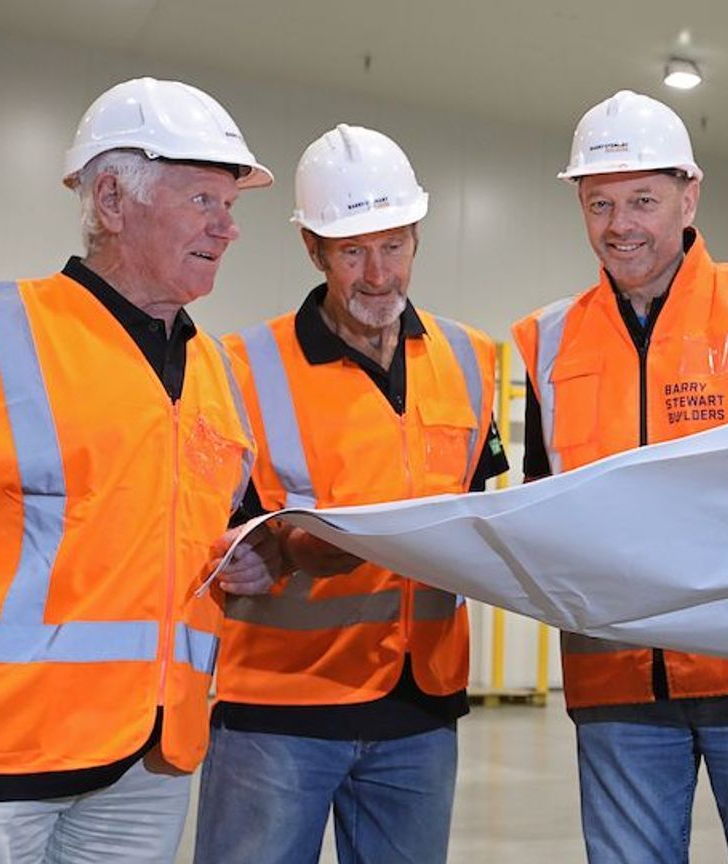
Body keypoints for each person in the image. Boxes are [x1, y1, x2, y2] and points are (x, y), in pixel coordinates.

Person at [0, 77, 280, 864]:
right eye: (203, 201)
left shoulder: (215, 370)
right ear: (113, 199)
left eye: (232, 207)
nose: (228, 228)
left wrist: (241, 557)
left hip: (148, 764)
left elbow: (206, 538)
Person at [512, 89, 728, 864]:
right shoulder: (546, 340)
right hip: (616, 679)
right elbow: (544, 507)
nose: (620, 226)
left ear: (689, 195)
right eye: (599, 203)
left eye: (643, 199)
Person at [193, 124, 507, 864]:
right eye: (352, 251)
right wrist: (265, 551)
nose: (377, 275)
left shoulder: (471, 358)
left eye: (393, 246)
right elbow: (208, 528)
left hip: (420, 707)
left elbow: (478, 511)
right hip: (279, 710)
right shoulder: (238, 365)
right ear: (313, 249)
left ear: (418, 236)